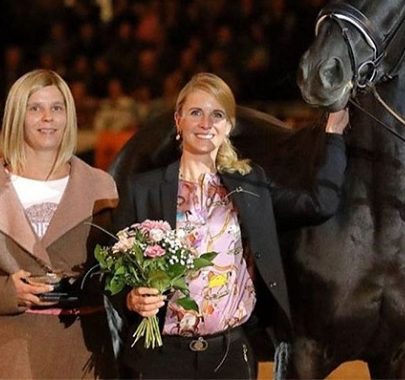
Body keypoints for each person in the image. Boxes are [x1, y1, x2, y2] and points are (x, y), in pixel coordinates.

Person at [110, 72, 349, 379]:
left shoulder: (250, 185)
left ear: (229, 127)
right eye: (196, 112)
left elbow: (320, 204)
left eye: (217, 114)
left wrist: (334, 136)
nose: (206, 123)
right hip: (160, 357)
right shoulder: (143, 188)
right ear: (178, 120)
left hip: (231, 358)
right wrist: (130, 298)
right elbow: (110, 271)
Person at [0, 69, 119, 379]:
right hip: (7, 358)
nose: (47, 117)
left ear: (69, 117)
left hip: (85, 358)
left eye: (57, 108)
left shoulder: (101, 186)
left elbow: (117, 270)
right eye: (35, 108)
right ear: (16, 117)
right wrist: (6, 291)